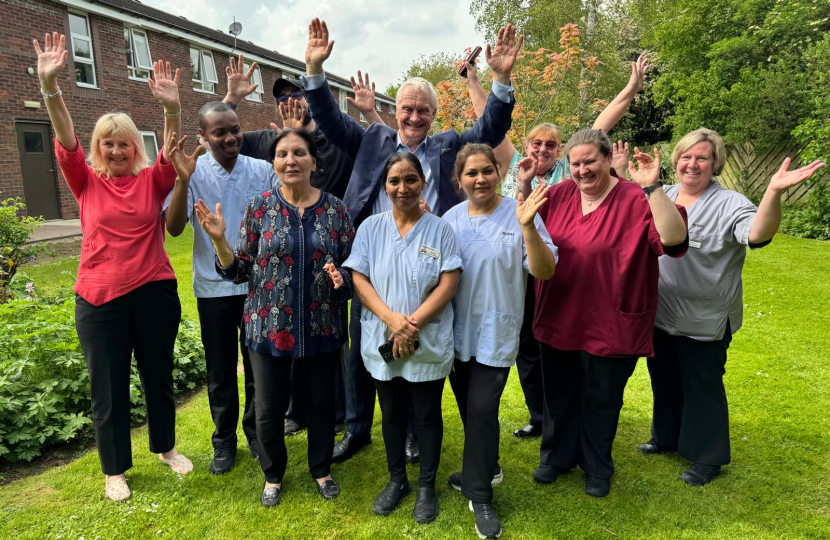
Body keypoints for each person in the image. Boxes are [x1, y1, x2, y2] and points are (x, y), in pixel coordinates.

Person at [301, 17, 521, 464]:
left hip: (427, 266)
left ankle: (416, 434)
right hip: (374, 263)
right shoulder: (371, 139)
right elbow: (326, 118)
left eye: (423, 110)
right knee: (364, 349)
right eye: (407, 109)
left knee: (421, 349)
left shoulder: (449, 146)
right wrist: (315, 71)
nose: (415, 117)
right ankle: (360, 428)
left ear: (433, 114)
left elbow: (491, 131)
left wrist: (499, 79)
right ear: (395, 110)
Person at [34, 32, 196, 502]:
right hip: (98, 298)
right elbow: (64, 134)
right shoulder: (84, 181)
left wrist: (172, 108)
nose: (117, 151)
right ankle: (114, 470)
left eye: (124, 143)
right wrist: (51, 86)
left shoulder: (153, 179)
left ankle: (165, 448)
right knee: (108, 387)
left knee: (157, 376)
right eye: (108, 144)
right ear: (98, 148)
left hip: (153, 293)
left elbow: (173, 147)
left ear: (135, 147)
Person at [460, 55, 649, 439]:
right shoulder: (515, 164)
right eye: (536, 143)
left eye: (550, 145)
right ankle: (540, 416)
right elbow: (490, 120)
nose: (542, 150)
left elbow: (604, 123)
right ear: (526, 144)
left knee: (548, 349)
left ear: (561, 150)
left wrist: (630, 89)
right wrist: (472, 82)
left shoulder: (570, 172)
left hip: (553, 272)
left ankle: (561, 416)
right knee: (528, 353)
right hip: (518, 273)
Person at [638, 128, 824, 485]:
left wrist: (773, 192)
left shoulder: (732, 204)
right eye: (687, 157)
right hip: (661, 312)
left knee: (702, 386)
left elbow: (758, 234)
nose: (693, 164)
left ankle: (707, 457)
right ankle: (665, 437)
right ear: (676, 160)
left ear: (716, 163)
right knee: (665, 380)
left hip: (705, 316)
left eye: (702, 157)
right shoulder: (664, 195)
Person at [222, 56, 383, 437]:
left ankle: (338, 414)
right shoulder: (270, 139)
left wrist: (367, 112)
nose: (289, 100)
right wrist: (231, 99)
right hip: (283, 251)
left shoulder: (335, 137)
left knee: (330, 343)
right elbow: (222, 137)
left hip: (331, 247)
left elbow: (376, 151)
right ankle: (296, 412)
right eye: (282, 96)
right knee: (285, 337)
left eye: (297, 93)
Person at [195, 128, 355, 507]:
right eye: (283, 154)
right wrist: (220, 242)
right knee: (268, 406)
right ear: (274, 164)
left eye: (299, 153)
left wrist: (342, 278)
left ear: (314, 162)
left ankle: (321, 468)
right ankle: (272, 475)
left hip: (322, 325)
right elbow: (240, 270)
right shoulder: (259, 208)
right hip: (267, 327)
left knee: (321, 404)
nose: (291, 160)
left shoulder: (336, 210)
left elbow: (353, 268)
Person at [528, 128, 688, 497]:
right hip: (559, 312)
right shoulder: (559, 195)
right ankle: (556, 457)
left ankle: (597, 465)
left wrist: (653, 188)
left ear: (607, 160)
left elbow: (674, 240)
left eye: (591, 162)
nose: (583, 171)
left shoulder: (636, 199)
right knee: (560, 392)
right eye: (576, 164)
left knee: (602, 397)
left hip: (611, 319)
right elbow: (528, 231)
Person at [442, 144, 557, 539]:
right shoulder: (450, 220)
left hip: (496, 331)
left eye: (487, 171)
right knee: (471, 411)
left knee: (481, 410)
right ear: (460, 181)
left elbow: (544, 271)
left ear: (498, 172)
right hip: (455, 334)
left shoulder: (520, 212)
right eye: (471, 173)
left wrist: (528, 227)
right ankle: (487, 466)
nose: (480, 179)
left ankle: (481, 496)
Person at [342, 152, 462, 523]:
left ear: (422, 182)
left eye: (410, 179)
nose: (402, 187)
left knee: (426, 415)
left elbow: (449, 281)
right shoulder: (371, 229)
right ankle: (398, 480)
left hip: (426, 340)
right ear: (385, 185)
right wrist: (391, 319)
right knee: (391, 414)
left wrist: (412, 325)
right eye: (394, 181)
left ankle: (426, 485)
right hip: (383, 337)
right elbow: (359, 278)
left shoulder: (440, 229)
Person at [163, 101, 279, 474]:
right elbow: (175, 227)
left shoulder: (261, 169)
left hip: (257, 286)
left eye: (235, 129)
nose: (230, 138)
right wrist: (182, 180)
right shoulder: (193, 172)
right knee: (221, 370)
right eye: (220, 132)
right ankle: (224, 440)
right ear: (203, 136)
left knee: (259, 368)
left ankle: (257, 435)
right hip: (214, 289)